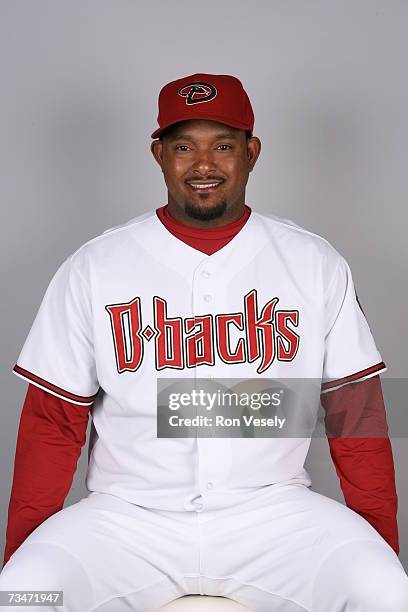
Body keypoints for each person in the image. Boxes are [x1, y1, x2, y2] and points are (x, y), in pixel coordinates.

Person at [1, 72, 408, 612]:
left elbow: (357, 416)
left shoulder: (313, 262)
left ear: (252, 151)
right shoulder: (95, 266)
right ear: (158, 154)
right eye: (183, 147)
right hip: (127, 519)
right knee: (23, 595)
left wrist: (380, 547)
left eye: (223, 145)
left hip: (275, 517)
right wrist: (22, 552)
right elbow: (51, 425)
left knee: (385, 592)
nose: (203, 165)